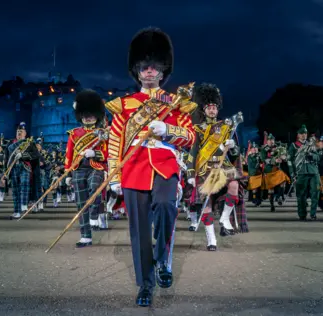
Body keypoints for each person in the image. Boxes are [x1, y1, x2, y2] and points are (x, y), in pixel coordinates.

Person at [104, 27, 196, 307]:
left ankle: (161, 259)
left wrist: (167, 128)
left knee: (168, 206)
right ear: (137, 69)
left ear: (163, 69)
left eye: (155, 66)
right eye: (144, 66)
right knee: (139, 230)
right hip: (133, 169)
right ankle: (145, 283)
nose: (150, 71)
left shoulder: (176, 104)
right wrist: (113, 175)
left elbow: (190, 137)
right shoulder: (125, 105)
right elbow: (114, 140)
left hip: (165, 167)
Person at [186, 83, 242, 250]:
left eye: (214, 107)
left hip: (222, 166)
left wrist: (233, 146)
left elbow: (235, 153)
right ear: (204, 110)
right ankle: (211, 239)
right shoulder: (197, 129)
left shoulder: (226, 127)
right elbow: (193, 152)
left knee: (234, 185)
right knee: (206, 204)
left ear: (218, 110)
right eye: (209, 107)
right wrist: (190, 172)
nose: (212, 110)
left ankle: (225, 218)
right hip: (204, 168)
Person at [64, 89, 108, 247]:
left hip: (96, 166)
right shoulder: (74, 133)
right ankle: (85, 236)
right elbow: (69, 153)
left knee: (95, 189)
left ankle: (94, 215)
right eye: (85, 114)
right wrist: (67, 172)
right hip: (78, 168)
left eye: (91, 113)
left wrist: (95, 152)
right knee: (81, 202)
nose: (88, 117)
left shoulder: (103, 133)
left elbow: (108, 153)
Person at [5, 122, 40, 219]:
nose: (19, 133)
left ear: (25, 133)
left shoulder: (29, 143)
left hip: (25, 167)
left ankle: (24, 204)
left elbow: (36, 155)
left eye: (21, 131)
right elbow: (6, 159)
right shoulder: (11, 144)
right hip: (14, 168)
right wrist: (5, 173)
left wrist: (23, 155)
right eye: (18, 131)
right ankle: (17, 211)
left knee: (24, 184)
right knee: (15, 190)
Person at [287, 125, 320, 221]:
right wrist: (292, 174)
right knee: (301, 195)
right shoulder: (293, 146)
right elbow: (290, 162)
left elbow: (318, 158)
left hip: (313, 172)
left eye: (305, 133)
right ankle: (302, 214)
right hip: (300, 173)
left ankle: (313, 214)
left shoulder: (312, 144)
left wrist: (312, 156)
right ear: (298, 135)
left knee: (315, 193)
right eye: (301, 133)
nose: (303, 135)